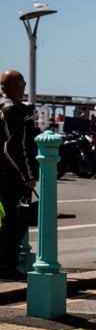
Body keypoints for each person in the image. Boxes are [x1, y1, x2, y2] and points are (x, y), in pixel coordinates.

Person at [0, 69, 39, 281]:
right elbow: (17, 147)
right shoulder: (14, 110)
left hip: (3, 172)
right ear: (16, 86)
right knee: (15, 222)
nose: (24, 89)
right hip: (11, 175)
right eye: (23, 85)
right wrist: (27, 175)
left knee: (4, 218)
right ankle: (7, 265)